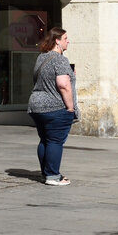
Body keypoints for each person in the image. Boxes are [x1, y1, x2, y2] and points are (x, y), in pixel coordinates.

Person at [27, 27, 77, 186]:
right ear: (57, 41)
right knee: (55, 141)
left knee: (45, 140)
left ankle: (46, 173)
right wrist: (70, 108)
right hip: (55, 107)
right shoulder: (60, 59)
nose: (68, 41)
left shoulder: (41, 57)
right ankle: (53, 176)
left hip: (36, 106)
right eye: (65, 38)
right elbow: (64, 85)